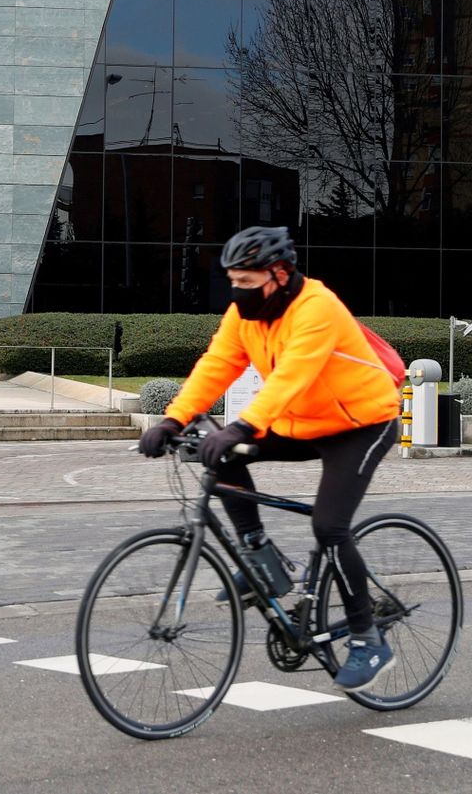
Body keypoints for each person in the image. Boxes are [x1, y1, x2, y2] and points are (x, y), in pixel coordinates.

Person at [137, 226, 402, 693]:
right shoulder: (246, 314)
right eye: (232, 282)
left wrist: (242, 425)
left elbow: (293, 376)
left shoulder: (316, 308)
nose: (238, 293)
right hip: (303, 423)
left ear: (279, 274)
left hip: (361, 425)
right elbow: (217, 364)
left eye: (247, 283)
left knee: (330, 527)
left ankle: (367, 638)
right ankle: (263, 560)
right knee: (216, 453)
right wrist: (173, 421)